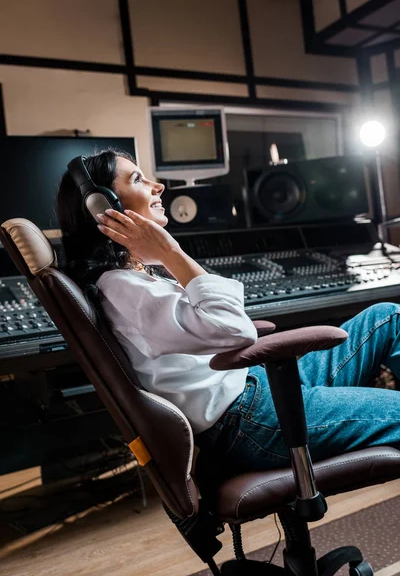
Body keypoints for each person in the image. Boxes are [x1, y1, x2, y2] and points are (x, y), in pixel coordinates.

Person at [56, 148, 400, 478]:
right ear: (104, 208)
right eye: (138, 180)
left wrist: (161, 256)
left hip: (255, 387)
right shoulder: (124, 290)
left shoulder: (131, 278)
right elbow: (236, 330)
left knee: (387, 316)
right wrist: (169, 251)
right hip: (250, 420)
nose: (158, 186)